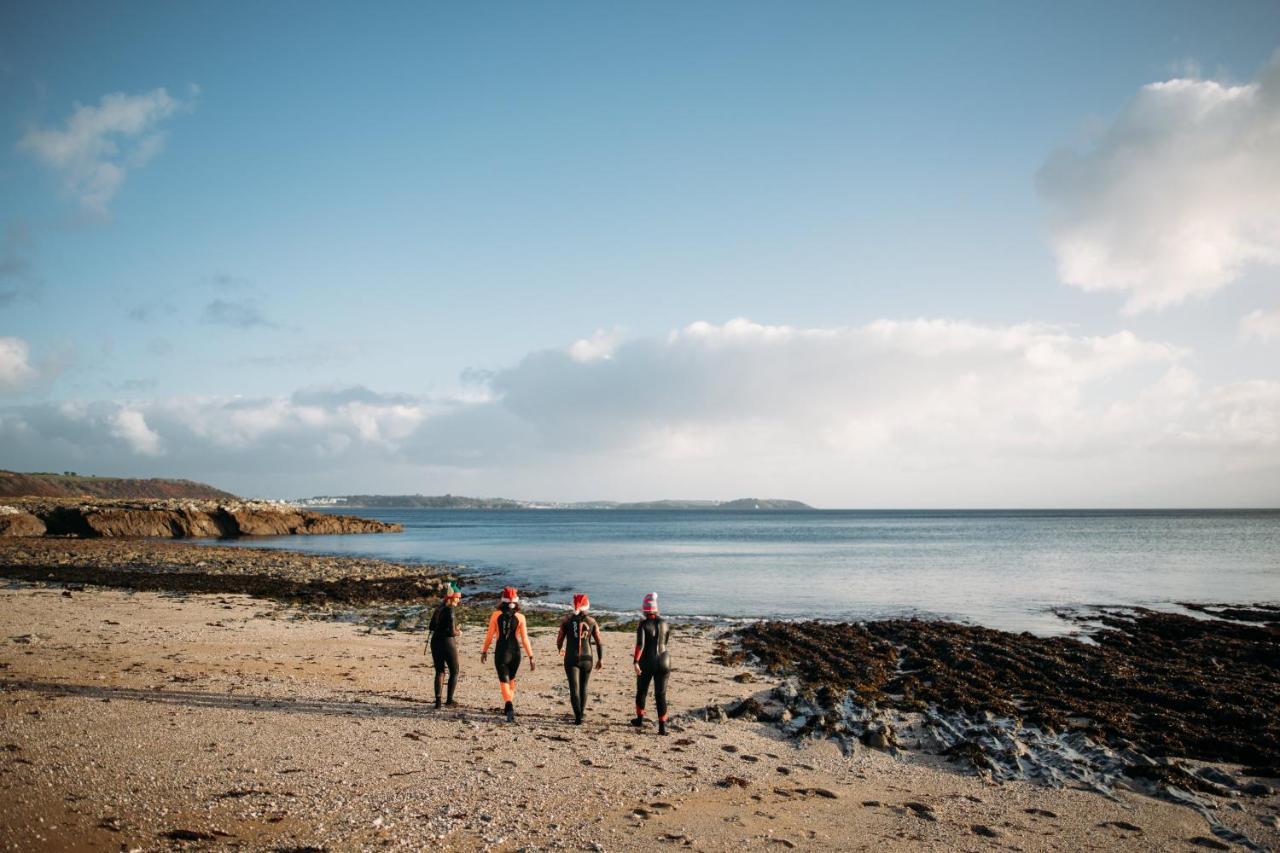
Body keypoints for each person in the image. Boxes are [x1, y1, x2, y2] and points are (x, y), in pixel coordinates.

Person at [481, 587, 536, 722]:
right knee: (511, 679)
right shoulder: (521, 617)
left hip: (501, 652)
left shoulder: (495, 615)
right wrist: (531, 656)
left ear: (503, 600)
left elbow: (490, 635)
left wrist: (484, 651)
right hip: (516, 653)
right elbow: (525, 639)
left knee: (503, 680)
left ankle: (509, 705)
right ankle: (508, 704)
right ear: (516, 601)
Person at [556, 593, 603, 725]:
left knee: (574, 688)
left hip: (571, 657)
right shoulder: (592, 621)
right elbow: (599, 642)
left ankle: (577, 718)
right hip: (587, 658)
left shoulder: (566, 620)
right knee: (584, 686)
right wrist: (601, 658)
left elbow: (559, 639)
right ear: (587, 606)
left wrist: (560, 649)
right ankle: (581, 713)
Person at [631, 591, 672, 736]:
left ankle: (639, 720)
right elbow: (665, 642)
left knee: (642, 691)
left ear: (644, 609)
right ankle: (662, 728)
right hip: (664, 661)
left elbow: (640, 645)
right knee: (660, 695)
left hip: (647, 661)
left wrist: (635, 661)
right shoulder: (665, 623)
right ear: (656, 608)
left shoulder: (643, 624)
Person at [426, 581, 462, 708]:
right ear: (452, 597)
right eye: (458, 597)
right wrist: (458, 632)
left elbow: (431, 626)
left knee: (439, 671)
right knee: (455, 671)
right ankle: (449, 701)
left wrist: (444, 627)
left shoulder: (439, 608)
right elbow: (451, 632)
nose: (459, 600)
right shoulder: (450, 610)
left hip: (435, 642)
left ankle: (438, 702)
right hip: (447, 642)